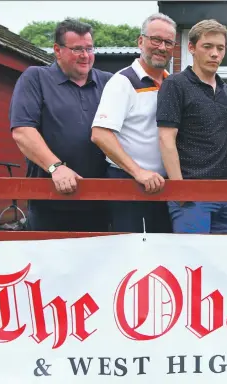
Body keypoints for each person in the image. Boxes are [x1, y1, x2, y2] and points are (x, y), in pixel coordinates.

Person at [9, 19, 112, 232]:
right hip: (50, 200)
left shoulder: (109, 82)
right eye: (77, 49)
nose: (85, 56)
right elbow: (22, 131)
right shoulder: (36, 78)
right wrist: (56, 167)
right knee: (48, 263)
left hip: (102, 200)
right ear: (57, 50)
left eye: (89, 48)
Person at [91, 13, 177, 233]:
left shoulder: (171, 83)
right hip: (129, 183)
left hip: (163, 186)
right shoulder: (122, 82)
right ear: (140, 41)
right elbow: (100, 134)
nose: (161, 47)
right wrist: (138, 172)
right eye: (155, 40)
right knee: (133, 256)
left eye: (168, 42)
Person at [157, 19, 227, 234]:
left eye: (220, 48)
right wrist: (180, 190)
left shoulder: (224, 89)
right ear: (191, 48)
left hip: (226, 195)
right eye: (208, 46)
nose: (215, 54)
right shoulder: (175, 84)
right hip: (192, 196)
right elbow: (166, 138)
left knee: (222, 264)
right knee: (192, 264)